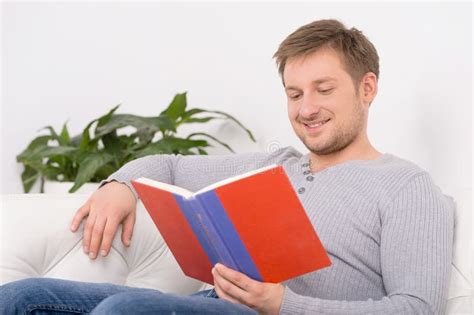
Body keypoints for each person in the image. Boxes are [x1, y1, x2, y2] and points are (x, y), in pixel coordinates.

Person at [1, 19, 454, 314]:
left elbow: (419, 308)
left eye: (323, 89)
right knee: (22, 298)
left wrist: (282, 303)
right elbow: (170, 166)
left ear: (367, 88)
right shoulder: (277, 164)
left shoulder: (407, 187)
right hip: (211, 303)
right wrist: (120, 184)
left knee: (122, 313)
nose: (307, 108)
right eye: (294, 94)